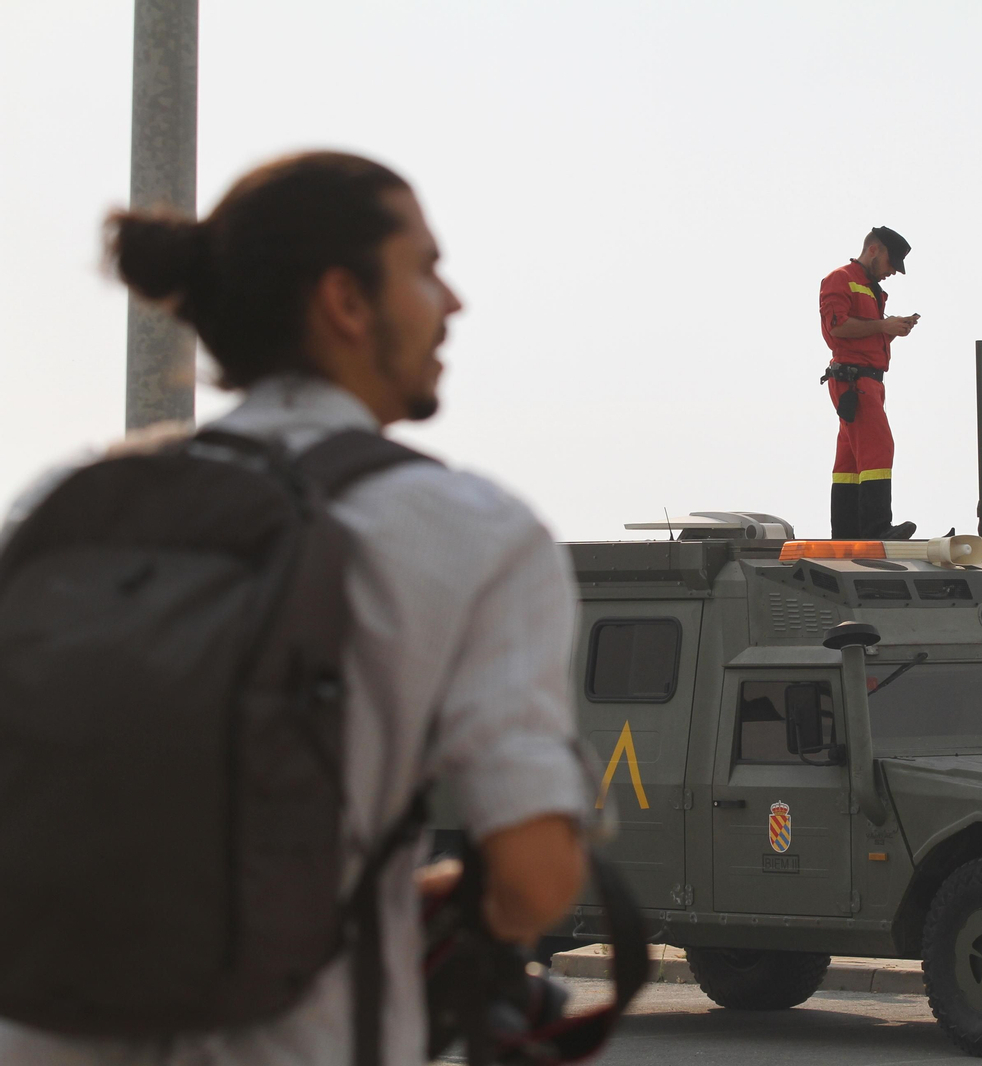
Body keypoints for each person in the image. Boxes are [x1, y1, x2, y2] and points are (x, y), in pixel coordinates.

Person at [0, 152, 589, 1064]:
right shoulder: (475, 533)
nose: (453, 303)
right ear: (345, 303)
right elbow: (535, 879)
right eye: (425, 268)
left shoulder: (61, 506)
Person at [818, 226, 919, 540]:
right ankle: (877, 530)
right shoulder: (841, 279)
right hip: (855, 381)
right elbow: (838, 328)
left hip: (864, 382)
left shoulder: (868, 287)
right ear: (874, 250)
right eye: (891, 263)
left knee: (850, 461)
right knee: (878, 448)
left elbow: (863, 333)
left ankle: (847, 534)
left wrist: (891, 329)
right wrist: (883, 325)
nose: (892, 272)